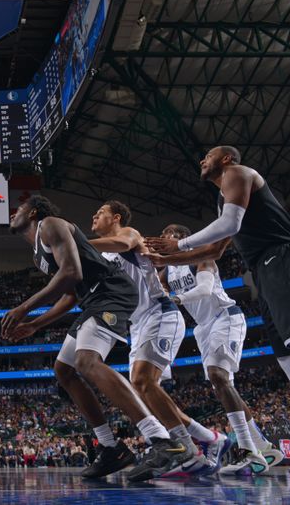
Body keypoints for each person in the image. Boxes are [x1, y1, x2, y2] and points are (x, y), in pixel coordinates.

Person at [145, 146, 290, 477]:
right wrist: (166, 260)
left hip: (282, 258)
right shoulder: (224, 198)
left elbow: (227, 226)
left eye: (208, 155)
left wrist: (179, 246)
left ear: (226, 158)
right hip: (263, 271)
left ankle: (258, 447)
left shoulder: (238, 174)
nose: (202, 160)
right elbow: (215, 247)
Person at [2, 195, 193, 481]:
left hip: (111, 292)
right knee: (63, 370)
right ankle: (110, 447)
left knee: (86, 361)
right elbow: (69, 292)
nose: (13, 214)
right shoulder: (38, 253)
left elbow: (71, 272)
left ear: (34, 213)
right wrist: (35, 325)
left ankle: (164, 441)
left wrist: (24, 307)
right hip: (91, 299)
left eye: (19, 210)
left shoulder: (50, 225)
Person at [89, 201, 220, 474]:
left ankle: (185, 450)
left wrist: (77, 243)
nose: (94, 216)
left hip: (159, 314)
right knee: (144, 391)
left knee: (142, 381)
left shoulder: (129, 235)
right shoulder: (103, 256)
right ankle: (210, 439)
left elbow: (124, 247)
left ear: (115, 218)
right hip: (137, 325)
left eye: (99, 213)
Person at [159, 223, 284, 474]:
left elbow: (205, 289)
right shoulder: (169, 269)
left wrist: (176, 299)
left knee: (218, 376)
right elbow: (158, 288)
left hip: (224, 317)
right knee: (223, 386)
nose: (163, 237)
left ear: (182, 238)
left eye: (167, 234)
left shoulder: (201, 255)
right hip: (203, 327)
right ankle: (263, 446)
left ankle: (249, 451)